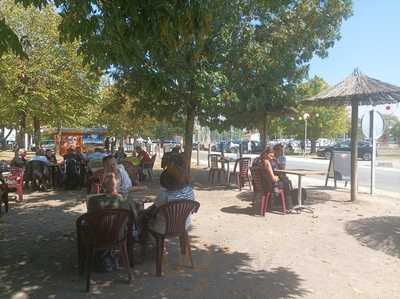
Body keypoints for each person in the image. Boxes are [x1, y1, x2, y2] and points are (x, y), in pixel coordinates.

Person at [146, 153, 195, 234]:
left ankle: (151, 243)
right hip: (184, 224)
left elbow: (154, 210)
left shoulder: (164, 195)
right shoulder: (189, 190)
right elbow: (193, 208)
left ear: (166, 183)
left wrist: (147, 211)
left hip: (164, 228)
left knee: (145, 219)